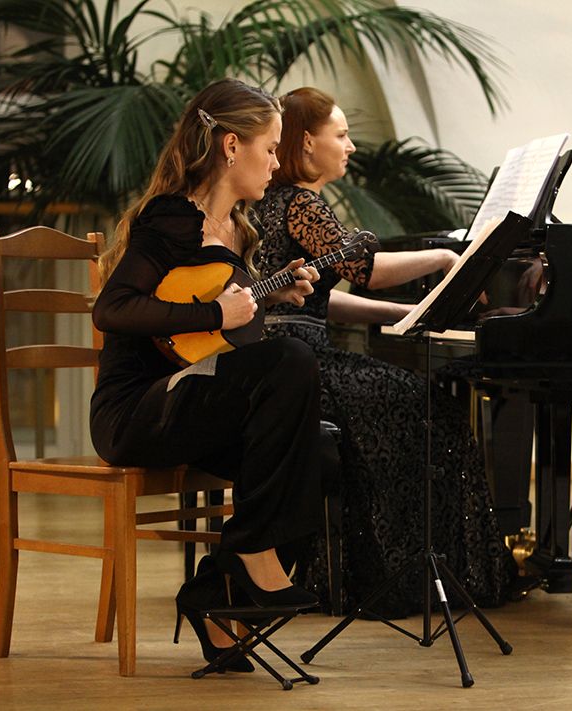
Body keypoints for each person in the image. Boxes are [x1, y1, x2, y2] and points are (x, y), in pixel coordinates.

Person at [254, 87, 517, 618]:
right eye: (342, 134)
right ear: (308, 143)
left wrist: (402, 312)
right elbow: (365, 270)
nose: (351, 146)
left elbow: (320, 300)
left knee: (418, 404)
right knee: (434, 410)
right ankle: (408, 573)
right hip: (302, 366)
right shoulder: (301, 203)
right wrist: (444, 257)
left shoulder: (273, 200)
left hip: (286, 358)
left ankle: (383, 568)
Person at [90, 78, 322, 672]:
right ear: (230, 146)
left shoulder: (239, 231)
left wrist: (271, 297)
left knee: (323, 449)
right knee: (292, 360)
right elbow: (112, 309)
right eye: (270, 148)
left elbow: (215, 340)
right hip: (138, 411)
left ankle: (213, 596)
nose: (277, 162)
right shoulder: (171, 219)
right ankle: (249, 551)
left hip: (193, 405)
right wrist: (217, 312)